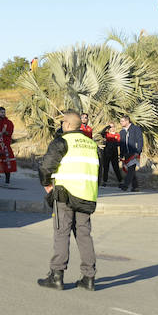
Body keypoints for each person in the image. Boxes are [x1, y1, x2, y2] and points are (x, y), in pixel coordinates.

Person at [36, 111, 100, 291]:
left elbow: (46, 166)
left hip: (65, 194)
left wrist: (47, 185)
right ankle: (89, 277)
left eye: (64, 122)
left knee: (61, 233)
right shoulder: (92, 144)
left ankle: (56, 275)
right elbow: (99, 172)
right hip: (87, 195)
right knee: (84, 235)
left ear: (69, 125)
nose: (62, 125)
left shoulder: (62, 142)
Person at [118, 114, 143, 192]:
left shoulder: (135, 129)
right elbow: (122, 144)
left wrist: (138, 151)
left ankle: (125, 186)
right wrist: (121, 155)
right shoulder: (122, 132)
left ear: (127, 121)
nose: (121, 123)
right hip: (126, 154)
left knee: (131, 169)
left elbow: (140, 140)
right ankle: (135, 186)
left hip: (134, 153)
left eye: (122, 121)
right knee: (130, 170)